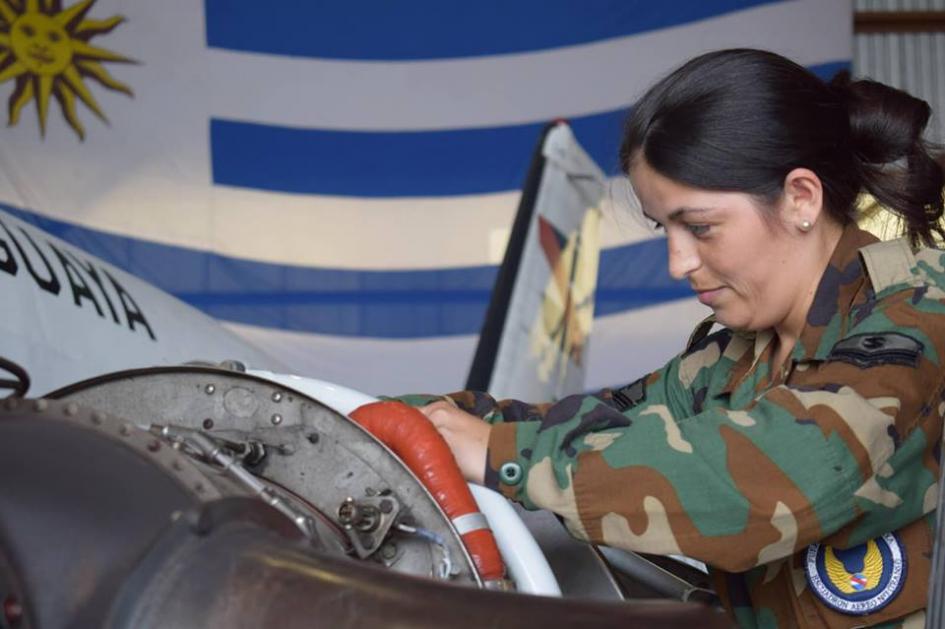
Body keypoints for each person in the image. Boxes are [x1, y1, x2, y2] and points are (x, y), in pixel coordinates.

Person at [397, 49, 945, 628]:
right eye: (666, 229)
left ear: (800, 198)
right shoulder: (729, 364)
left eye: (700, 227)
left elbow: (779, 478)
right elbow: (580, 422)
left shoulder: (917, 312)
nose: (677, 263)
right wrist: (378, 419)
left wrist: (499, 456)